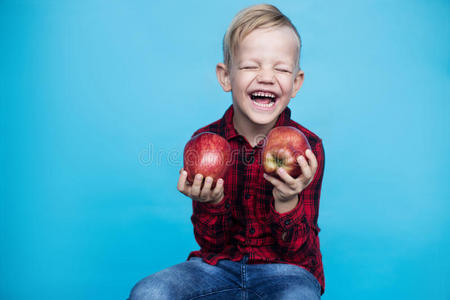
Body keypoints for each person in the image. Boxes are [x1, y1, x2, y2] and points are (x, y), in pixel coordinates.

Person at [129, 4, 325, 299]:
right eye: (250, 66)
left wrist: (288, 200)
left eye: (281, 69)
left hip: (284, 272)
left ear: (295, 83)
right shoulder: (205, 141)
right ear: (225, 77)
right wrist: (211, 203)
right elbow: (212, 244)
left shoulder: (308, 148)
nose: (267, 77)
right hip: (217, 266)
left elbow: (299, 253)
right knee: (149, 292)